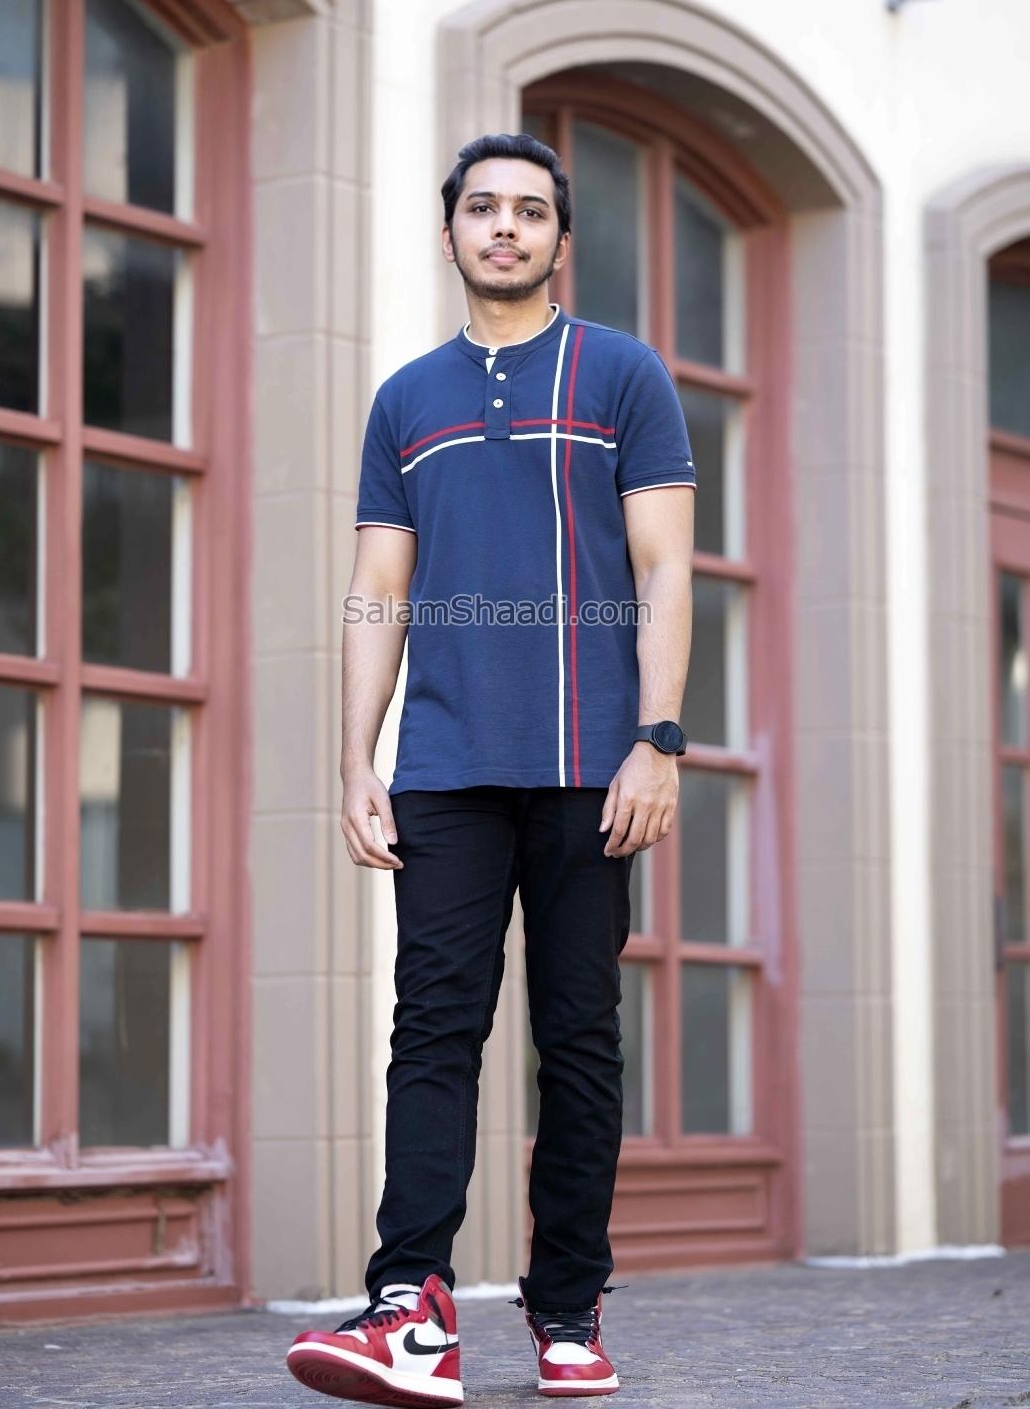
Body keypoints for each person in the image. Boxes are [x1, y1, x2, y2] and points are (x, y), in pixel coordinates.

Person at [286, 133, 695, 1405]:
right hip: (445, 766)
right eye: (481, 208)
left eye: (528, 210)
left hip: (591, 768)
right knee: (432, 1029)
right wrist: (354, 758)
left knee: (578, 1041)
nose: (504, 226)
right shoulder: (405, 398)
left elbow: (665, 567)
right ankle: (409, 1305)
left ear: (560, 239)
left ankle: (567, 1308)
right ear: (449, 233)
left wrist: (658, 739)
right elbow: (377, 586)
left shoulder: (623, 373)